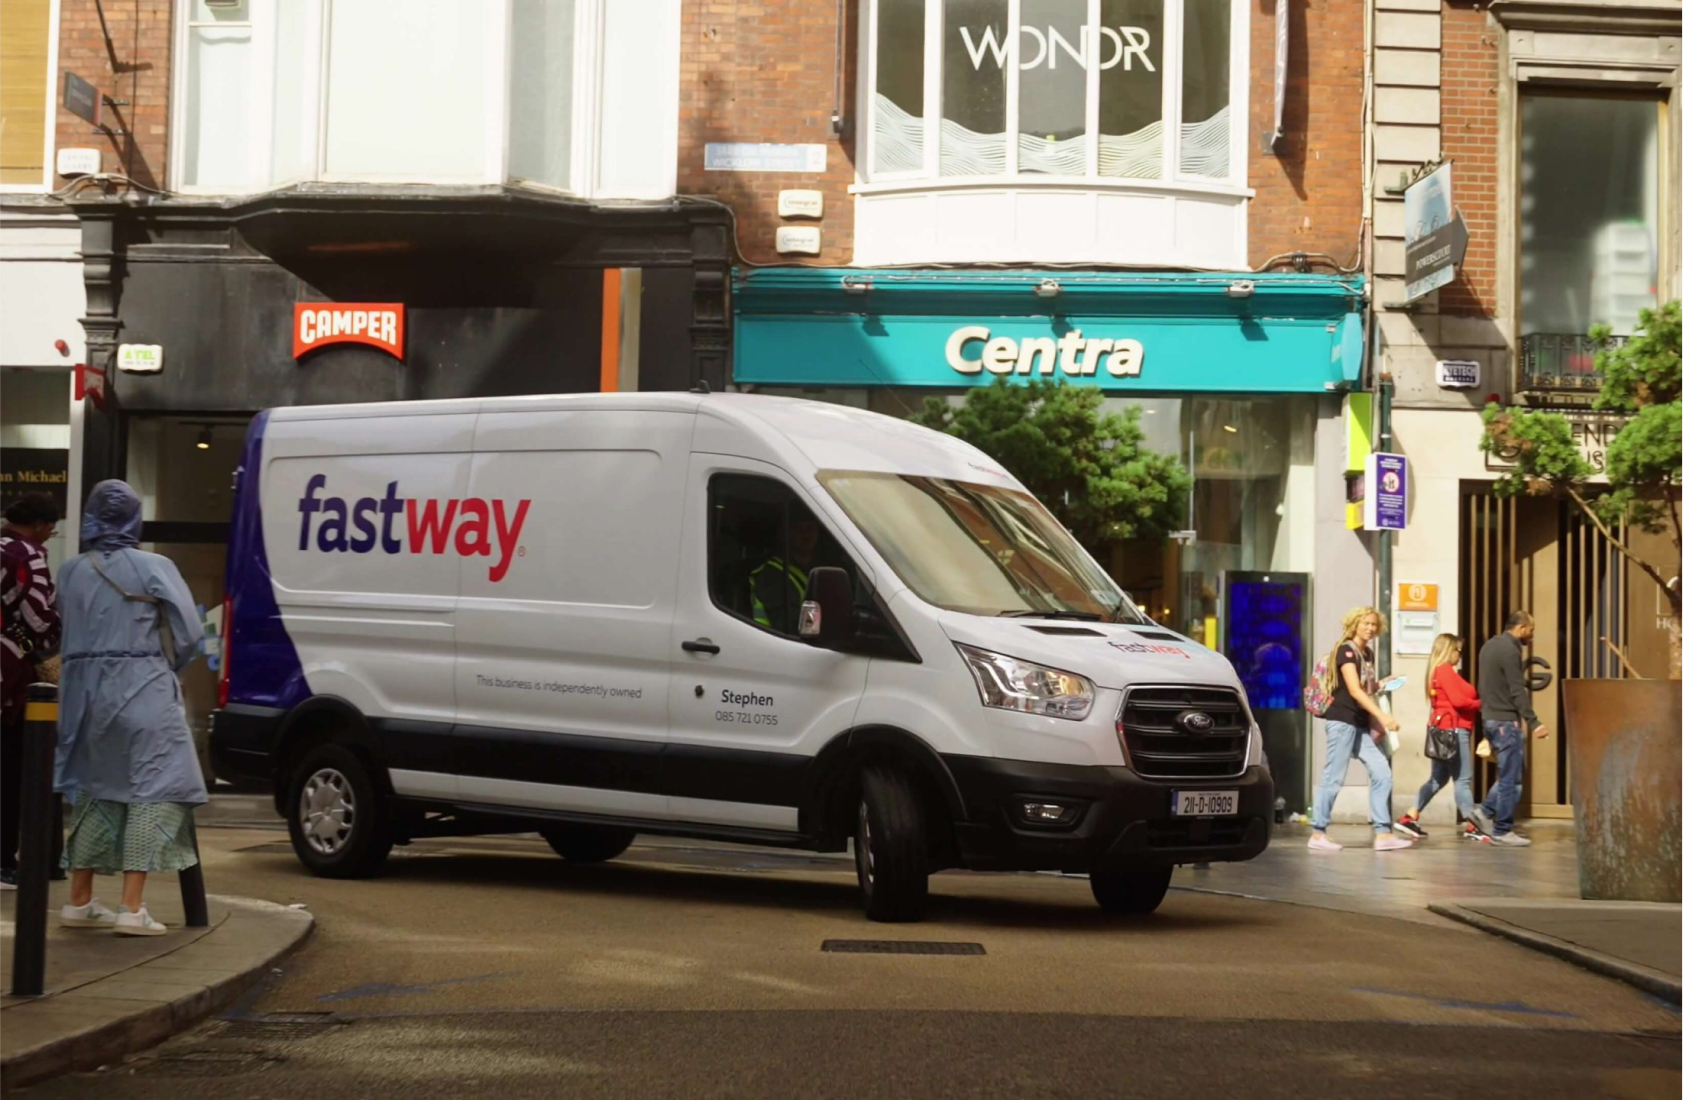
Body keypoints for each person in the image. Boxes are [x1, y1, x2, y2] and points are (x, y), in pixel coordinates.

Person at [54, 481, 206, 935]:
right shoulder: (154, 565)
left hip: (83, 693)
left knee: (97, 788)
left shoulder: (69, 571)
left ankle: (79, 901)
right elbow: (191, 633)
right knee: (154, 788)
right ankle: (131, 908)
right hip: (141, 685)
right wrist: (167, 664)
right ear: (134, 520)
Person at [1308, 607, 1412, 852]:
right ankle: (1318, 832)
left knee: (1382, 773)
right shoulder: (1346, 651)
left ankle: (1383, 834)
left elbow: (1363, 690)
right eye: (1365, 623)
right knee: (1333, 778)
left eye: (1374, 625)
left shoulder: (1367, 654)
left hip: (1358, 723)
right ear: (1354, 624)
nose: (1370, 628)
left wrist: (1379, 684)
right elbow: (1354, 691)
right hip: (1342, 721)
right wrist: (1383, 717)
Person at [1, 493, 63, 891]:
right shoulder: (29, 556)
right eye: (51, 527)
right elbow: (39, 620)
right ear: (40, 525)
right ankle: (5, 860)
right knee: (11, 771)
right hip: (9, 677)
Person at [1469, 611, 1548, 847]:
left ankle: (1484, 813)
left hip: (1491, 719)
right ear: (1521, 628)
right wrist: (1533, 721)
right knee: (1511, 780)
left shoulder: (1489, 646)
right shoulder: (1510, 650)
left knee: (1509, 775)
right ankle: (1502, 830)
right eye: (1531, 631)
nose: (1531, 636)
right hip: (1506, 722)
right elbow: (1516, 689)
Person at [1394, 634, 1479, 840]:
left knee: (1438, 778)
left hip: (1443, 731)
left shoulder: (1438, 671)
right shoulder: (1445, 670)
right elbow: (1459, 701)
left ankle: (1410, 816)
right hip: (1454, 731)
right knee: (1463, 779)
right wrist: (1481, 703)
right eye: (1458, 650)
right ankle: (1473, 824)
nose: (1460, 655)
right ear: (1448, 650)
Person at [752, 514, 821, 632]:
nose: (806, 535)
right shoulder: (772, 575)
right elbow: (791, 626)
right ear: (788, 534)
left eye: (810, 528)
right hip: (773, 646)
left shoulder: (817, 567)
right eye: (799, 530)